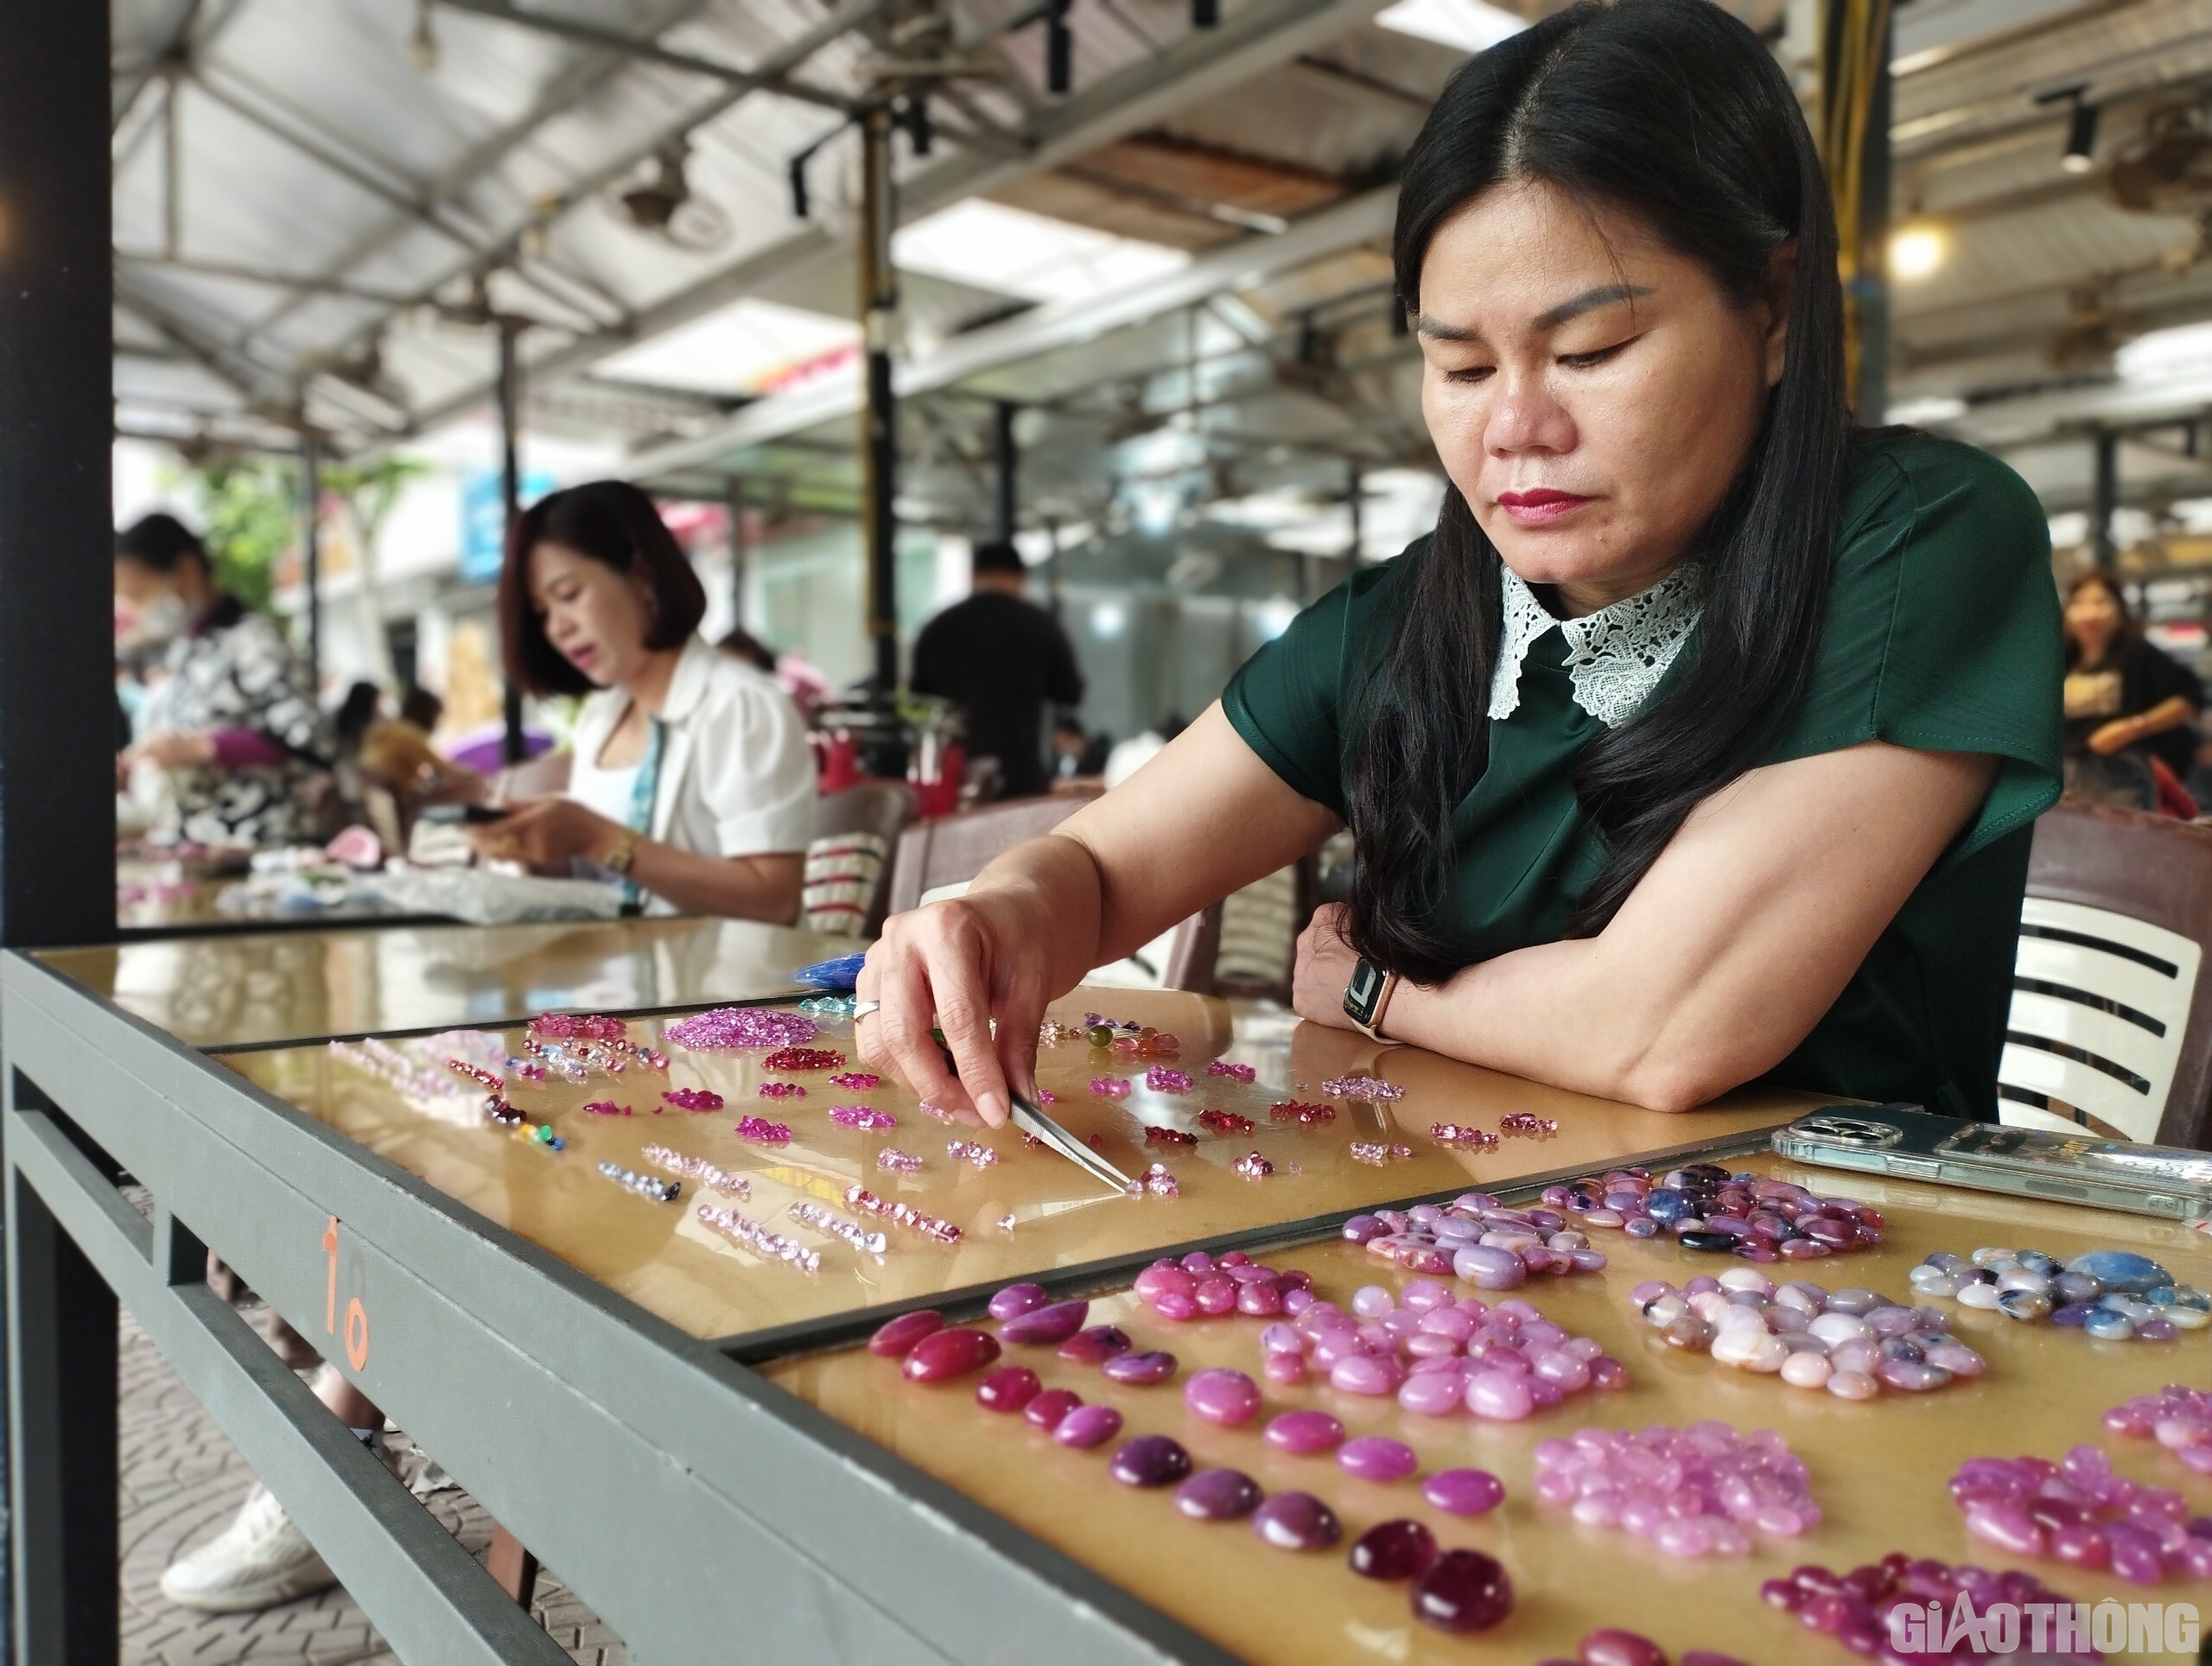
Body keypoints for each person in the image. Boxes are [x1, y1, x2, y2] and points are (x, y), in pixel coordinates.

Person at [855, 0, 2062, 1131]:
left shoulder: (1923, 540)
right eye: (1464, 368)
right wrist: (1002, 911)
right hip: (1462, 1252)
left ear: (1776, 308)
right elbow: (1099, 868)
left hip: (1838, 1267)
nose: (1516, 427)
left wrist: (1375, 990)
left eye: (1591, 349)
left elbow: (1662, 1030)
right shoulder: (1400, 623)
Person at [469, 480, 813, 920]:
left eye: (569, 595)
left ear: (642, 574)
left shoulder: (740, 705)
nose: (557, 627)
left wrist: (597, 838)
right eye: (543, 612)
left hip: (726, 968)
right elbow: (609, 889)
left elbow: (774, 900)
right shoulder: (601, 719)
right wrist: (535, 845)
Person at [113, 512, 334, 848]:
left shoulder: (253, 641)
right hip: (203, 847)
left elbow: (308, 738)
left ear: (186, 571)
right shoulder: (188, 649)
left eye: (140, 594)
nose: (136, 610)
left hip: (265, 848)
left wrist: (202, 747)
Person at [910, 538, 1084, 798]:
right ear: (1019, 579)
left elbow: (918, 701)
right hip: (1020, 776)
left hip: (953, 778)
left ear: (973, 576)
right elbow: (1071, 692)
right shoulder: (1041, 626)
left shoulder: (938, 627)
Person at [2061, 569, 2202, 811]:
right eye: (2079, 603)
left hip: (2121, 775)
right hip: (2066, 776)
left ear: (2120, 611)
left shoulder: (2138, 653)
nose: (2090, 613)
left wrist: (2133, 728)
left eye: (2101, 602)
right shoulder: (2062, 661)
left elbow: (2189, 699)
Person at [1052, 715, 1111, 780]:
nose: (1063, 748)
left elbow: (1107, 778)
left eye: (1066, 741)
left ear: (1077, 736)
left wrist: (1073, 783)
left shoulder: (1101, 751)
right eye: (1059, 746)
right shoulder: (1072, 765)